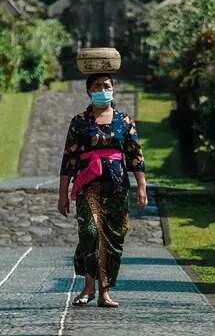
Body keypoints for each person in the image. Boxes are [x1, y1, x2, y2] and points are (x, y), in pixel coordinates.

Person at [57, 73, 148, 308]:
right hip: (88, 186)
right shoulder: (79, 122)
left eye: (106, 85)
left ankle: (104, 291)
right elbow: (69, 159)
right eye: (97, 86)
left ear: (113, 90)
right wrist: (62, 194)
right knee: (89, 232)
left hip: (117, 187)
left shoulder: (124, 121)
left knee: (112, 237)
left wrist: (142, 186)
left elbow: (135, 155)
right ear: (89, 91)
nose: (102, 89)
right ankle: (88, 286)